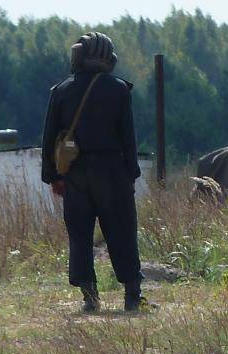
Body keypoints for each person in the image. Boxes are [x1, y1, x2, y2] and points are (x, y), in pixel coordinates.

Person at [41, 31, 150, 312]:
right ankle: (132, 296)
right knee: (122, 233)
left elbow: (49, 138)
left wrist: (53, 176)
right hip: (112, 172)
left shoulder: (61, 90)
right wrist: (132, 174)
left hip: (75, 173)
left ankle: (90, 298)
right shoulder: (119, 89)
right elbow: (128, 137)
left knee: (79, 236)